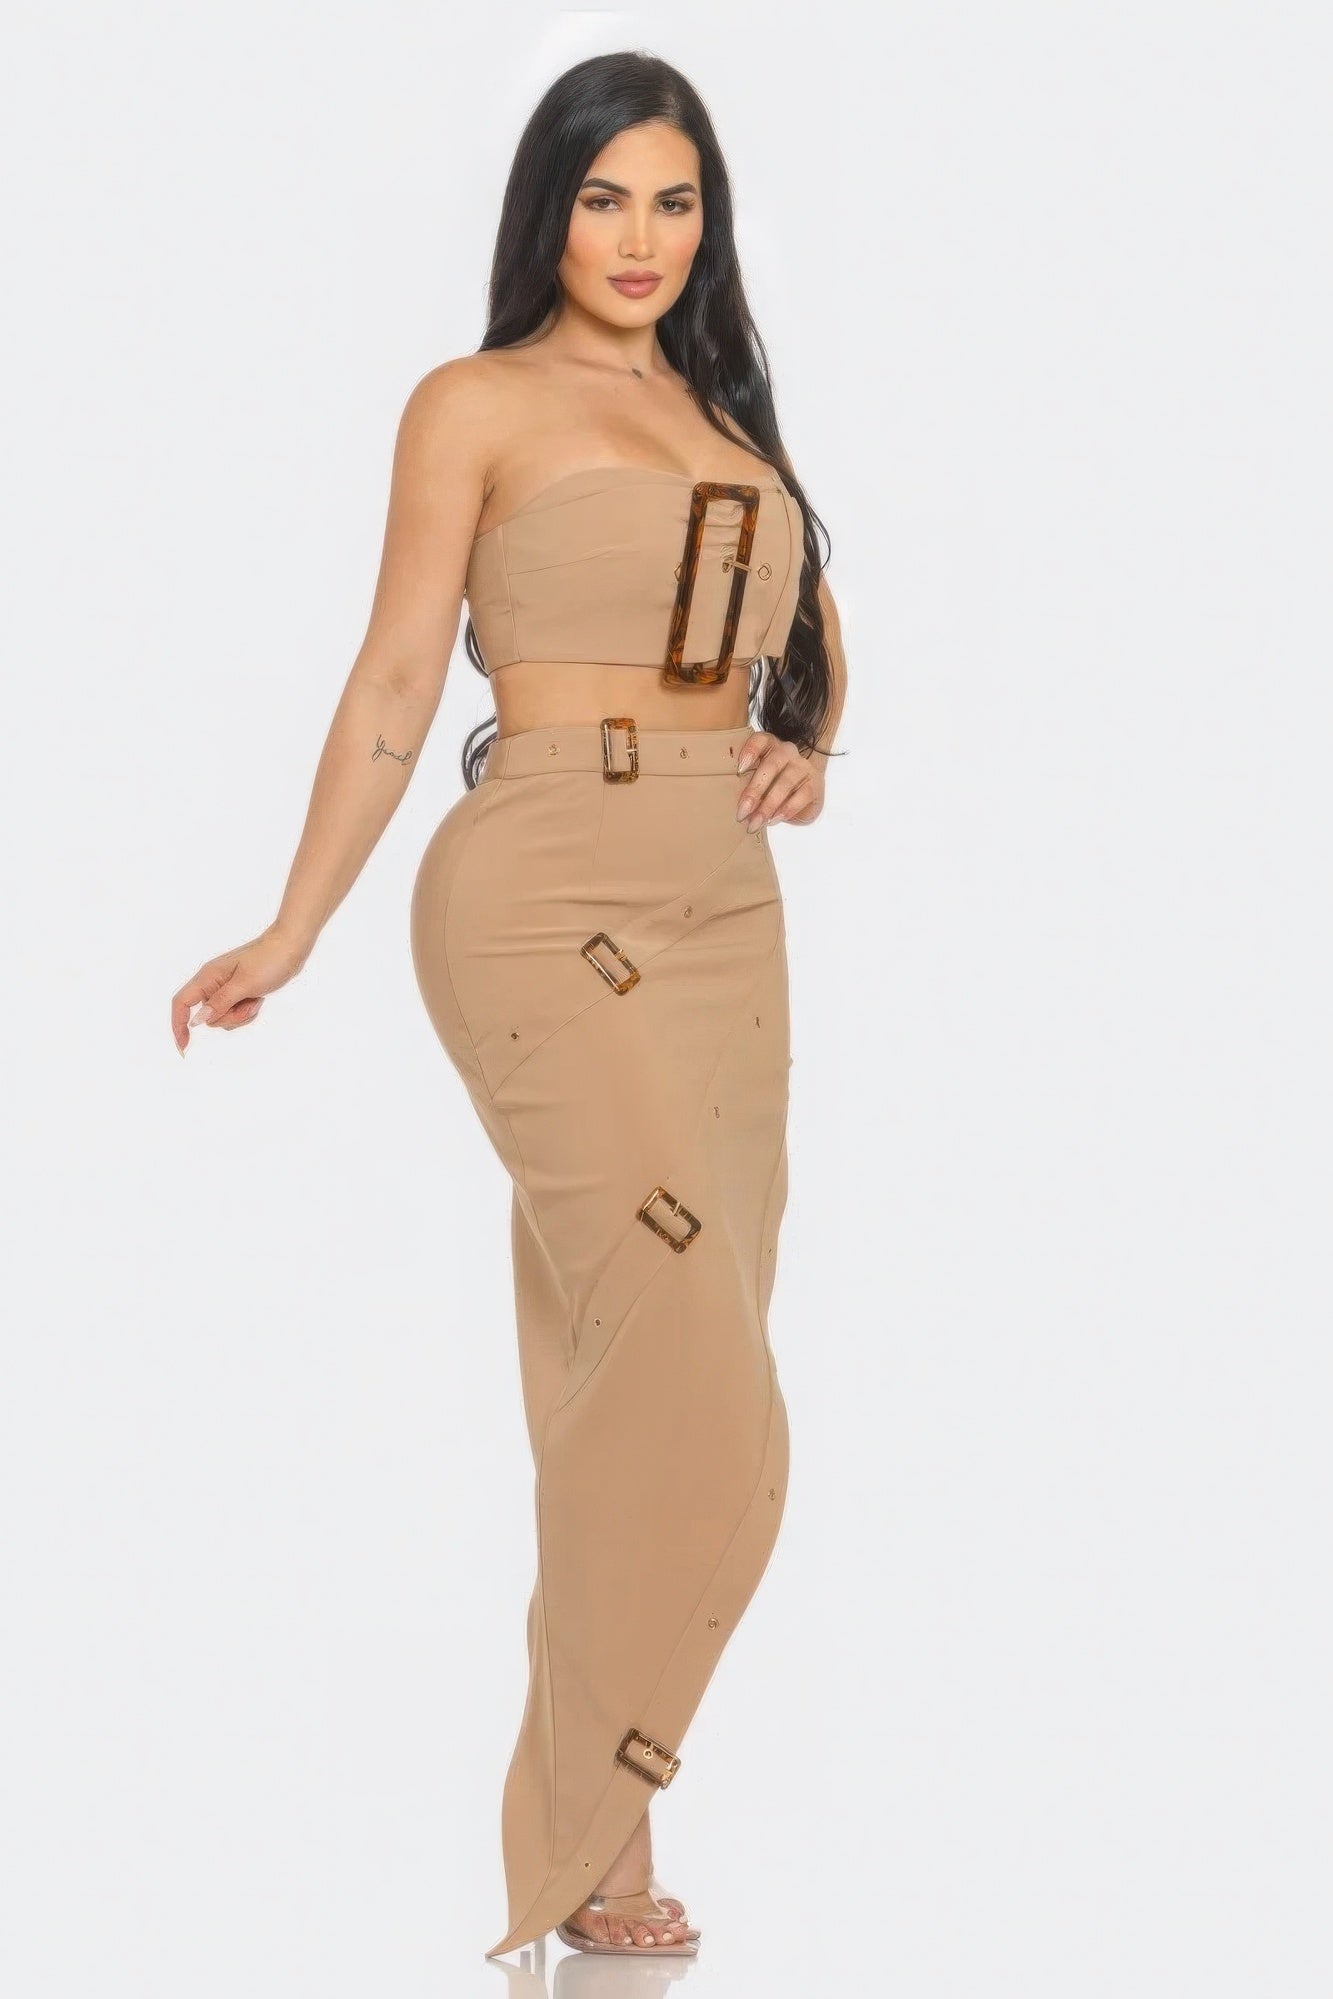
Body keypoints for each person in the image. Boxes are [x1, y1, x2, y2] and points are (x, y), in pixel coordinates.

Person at [171, 48, 847, 1961]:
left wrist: (803, 750)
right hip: (538, 893)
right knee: (690, 1353)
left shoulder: (725, 412)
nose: (641, 238)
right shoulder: (470, 403)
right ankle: (580, 1843)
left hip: (724, 918)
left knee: (633, 1368)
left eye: (675, 201)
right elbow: (398, 679)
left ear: (708, 222)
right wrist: (295, 924)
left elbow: (793, 644)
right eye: (604, 197)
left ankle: (602, 1843)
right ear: (548, 210)